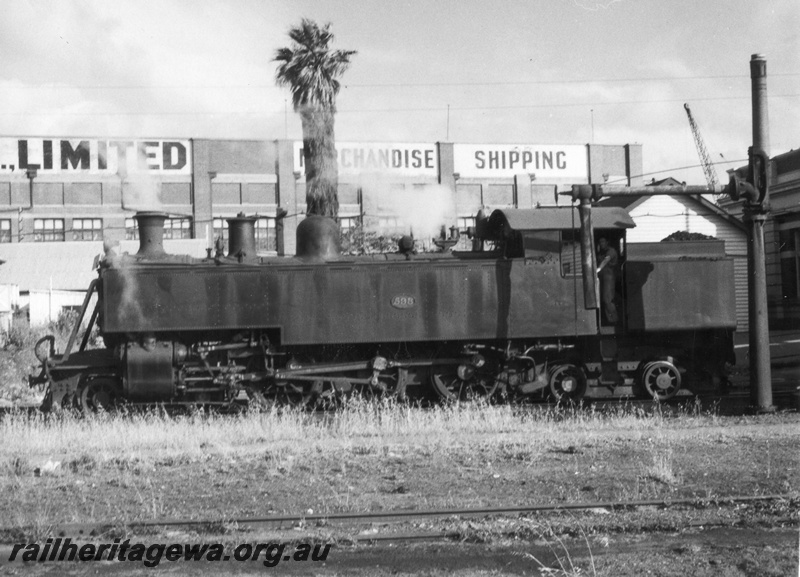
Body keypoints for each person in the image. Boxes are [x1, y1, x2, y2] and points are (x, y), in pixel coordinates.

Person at [596, 237, 619, 324]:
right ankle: (609, 320)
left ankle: (614, 320)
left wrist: (598, 269)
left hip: (609, 277)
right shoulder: (601, 252)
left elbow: (606, 260)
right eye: (600, 242)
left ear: (607, 242)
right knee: (604, 299)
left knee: (607, 299)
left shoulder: (611, 251)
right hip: (603, 277)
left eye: (603, 241)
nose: (601, 243)